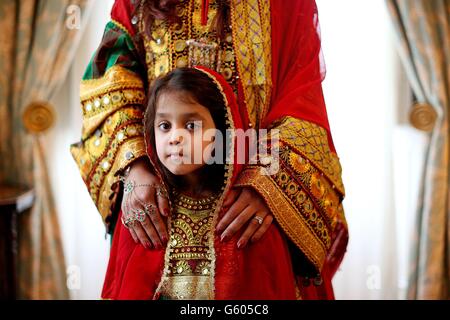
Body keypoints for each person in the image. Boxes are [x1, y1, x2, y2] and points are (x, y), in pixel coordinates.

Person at [71, 0, 348, 299]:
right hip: (154, 199)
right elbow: (108, 82)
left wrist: (270, 184)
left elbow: (303, 97)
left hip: (253, 207)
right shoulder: (135, 3)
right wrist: (133, 166)